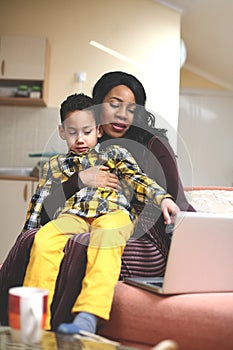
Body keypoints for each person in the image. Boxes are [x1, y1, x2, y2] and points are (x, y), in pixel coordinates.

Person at [0, 71, 195, 330]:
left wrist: (166, 203)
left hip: (123, 217)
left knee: (102, 239)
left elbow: (144, 183)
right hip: (75, 216)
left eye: (131, 108)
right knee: (43, 239)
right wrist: (80, 180)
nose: (123, 114)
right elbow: (43, 204)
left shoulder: (127, 150)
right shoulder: (60, 164)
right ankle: (34, 324)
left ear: (97, 131)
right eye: (114, 104)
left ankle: (86, 318)